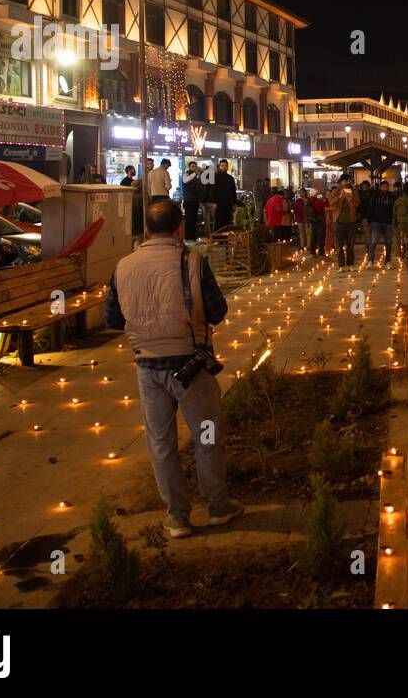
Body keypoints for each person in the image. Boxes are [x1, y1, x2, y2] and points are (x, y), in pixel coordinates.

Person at [104, 201, 242, 538]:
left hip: (147, 367)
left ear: (147, 230)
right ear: (180, 228)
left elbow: (112, 319)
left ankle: (177, 517)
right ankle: (217, 507)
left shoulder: (122, 266)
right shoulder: (193, 262)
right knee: (206, 436)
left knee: (161, 443)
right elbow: (217, 311)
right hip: (191, 365)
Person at [328, 177, 359, 269]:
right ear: (340, 182)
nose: (347, 182)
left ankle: (350, 264)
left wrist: (350, 199)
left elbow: (357, 203)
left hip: (350, 221)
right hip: (339, 221)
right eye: (345, 181)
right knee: (339, 245)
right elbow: (331, 203)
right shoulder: (335, 191)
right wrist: (340, 197)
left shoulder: (354, 191)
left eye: (349, 181)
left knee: (350, 245)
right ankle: (341, 265)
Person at [367, 179, 396, 265]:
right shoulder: (375, 196)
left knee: (389, 243)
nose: (385, 189)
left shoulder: (391, 196)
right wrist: (369, 219)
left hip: (388, 222)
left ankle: (388, 261)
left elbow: (394, 208)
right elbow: (371, 208)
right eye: (384, 187)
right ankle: (370, 260)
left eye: (387, 187)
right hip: (376, 221)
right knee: (373, 241)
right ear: (380, 187)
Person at [212, 159, 238, 231]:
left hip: (228, 203)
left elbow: (233, 191)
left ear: (227, 167)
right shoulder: (215, 177)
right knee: (218, 221)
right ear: (219, 166)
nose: (223, 167)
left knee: (227, 221)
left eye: (225, 166)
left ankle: (226, 240)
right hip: (218, 203)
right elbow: (212, 190)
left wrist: (235, 203)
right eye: (222, 166)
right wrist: (214, 202)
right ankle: (217, 239)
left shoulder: (230, 178)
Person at [182, 162, 202, 241]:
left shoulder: (196, 176)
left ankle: (193, 237)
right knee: (189, 220)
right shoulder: (186, 174)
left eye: (195, 166)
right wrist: (195, 173)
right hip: (188, 200)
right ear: (189, 167)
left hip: (195, 200)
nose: (194, 168)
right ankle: (188, 237)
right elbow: (186, 181)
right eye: (192, 166)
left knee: (194, 220)